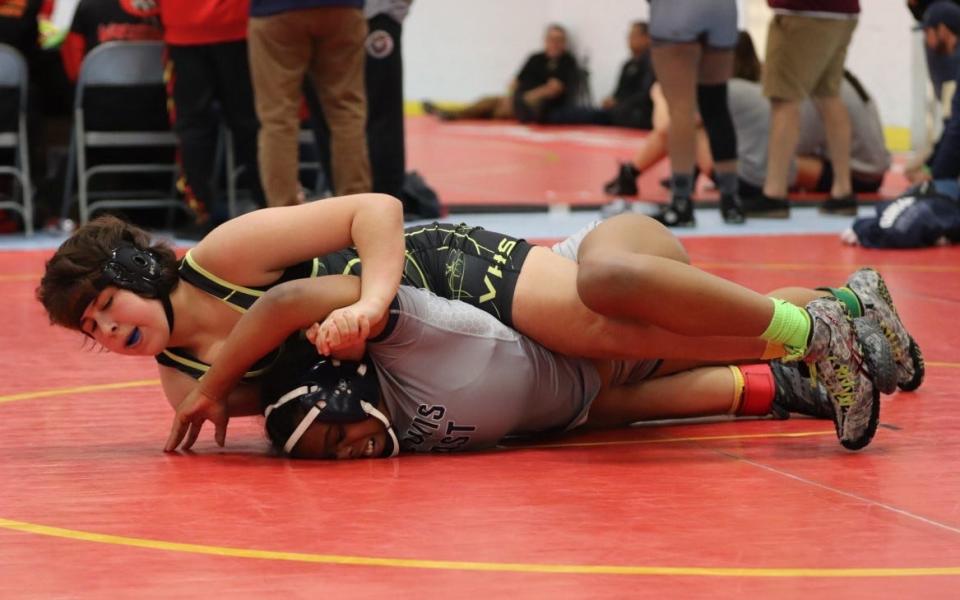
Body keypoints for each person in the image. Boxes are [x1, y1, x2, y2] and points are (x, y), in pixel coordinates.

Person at [37, 198, 913, 452]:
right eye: (92, 333)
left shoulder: (222, 255)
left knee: (609, 319)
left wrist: (372, 300)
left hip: (439, 271)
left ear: (129, 274)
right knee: (596, 377)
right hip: (445, 349)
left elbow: (376, 211)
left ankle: (816, 331)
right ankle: (832, 317)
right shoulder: (179, 382)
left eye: (104, 310)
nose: (108, 334)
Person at [248, 0, 371, 203]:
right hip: (343, 9)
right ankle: (357, 209)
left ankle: (284, 216)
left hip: (274, 11)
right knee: (347, 112)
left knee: (278, 118)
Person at [160, 0, 265, 230]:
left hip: (183, 26)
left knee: (193, 127)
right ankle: (269, 205)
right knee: (251, 123)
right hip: (237, 25)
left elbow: (138, 6)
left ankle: (201, 213)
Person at [644, 0, 744, 227]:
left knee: (681, 109)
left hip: (678, 12)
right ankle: (731, 201)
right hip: (723, 11)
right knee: (716, 105)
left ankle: (681, 202)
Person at [756, 0, 860, 216]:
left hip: (801, 11)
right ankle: (843, 189)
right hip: (843, 12)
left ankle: (774, 192)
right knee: (828, 96)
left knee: (784, 99)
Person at [422, 24, 580, 124]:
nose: (555, 43)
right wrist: (512, 97)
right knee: (488, 102)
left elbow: (554, 89)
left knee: (499, 108)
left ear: (564, 42)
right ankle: (452, 113)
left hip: (540, 106)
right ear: (545, 40)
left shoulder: (567, 61)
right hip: (518, 99)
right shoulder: (535, 58)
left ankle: (457, 114)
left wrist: (526, 98)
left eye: (559, 40)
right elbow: (515, 82)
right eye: (551, 39)